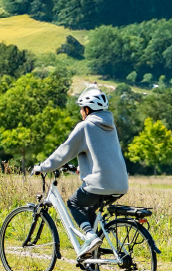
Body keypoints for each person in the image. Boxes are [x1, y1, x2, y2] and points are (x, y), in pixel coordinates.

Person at [33, 85, 129, 257]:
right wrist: (83, 168)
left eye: (81, 109)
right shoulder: (111, 127)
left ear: (87, 109)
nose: (80, 113)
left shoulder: (85, 126)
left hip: (100, 184)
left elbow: (64, 151)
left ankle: (90, 237)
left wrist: (43, 167)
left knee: (73, 203)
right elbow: (103, 154)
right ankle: (91, 255)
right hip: (120, 184)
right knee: (90, 209)